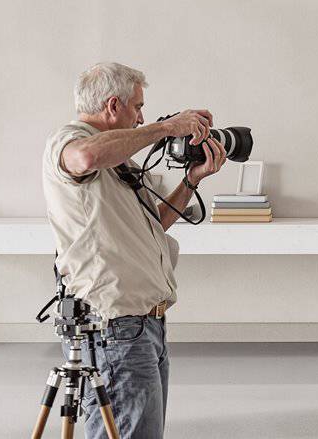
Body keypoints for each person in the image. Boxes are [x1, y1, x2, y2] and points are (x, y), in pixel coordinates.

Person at [42, 62, 227, 438]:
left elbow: (152, 224)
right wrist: (167, 128)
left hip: (144, 326)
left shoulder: (120, 161)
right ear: (114, 105)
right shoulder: (70, 141)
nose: (141, 118)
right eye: (138, 107)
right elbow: (85, 158)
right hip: (115, 330)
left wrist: (191, 181)